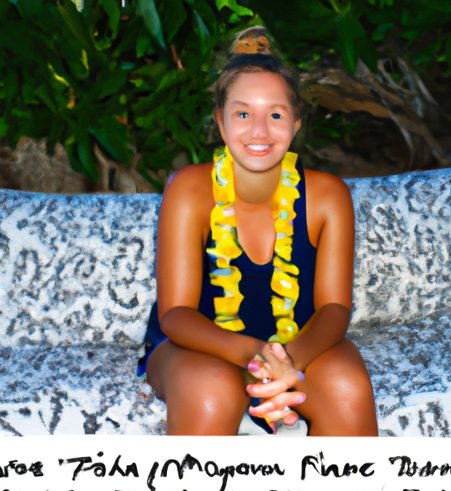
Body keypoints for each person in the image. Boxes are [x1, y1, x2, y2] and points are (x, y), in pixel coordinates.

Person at [137, 26, 378, 436]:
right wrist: (256, 356)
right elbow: (176, 315)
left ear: (295, 123)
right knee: (211, 392)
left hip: (298, 347)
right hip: (196, 349)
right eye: (243, 114)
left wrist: (287, 364)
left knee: (347, 388)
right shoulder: (190, 189)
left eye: (276, 115)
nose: (260, 131)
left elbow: (334, 309)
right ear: (221, 121)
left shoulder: (328, 196)